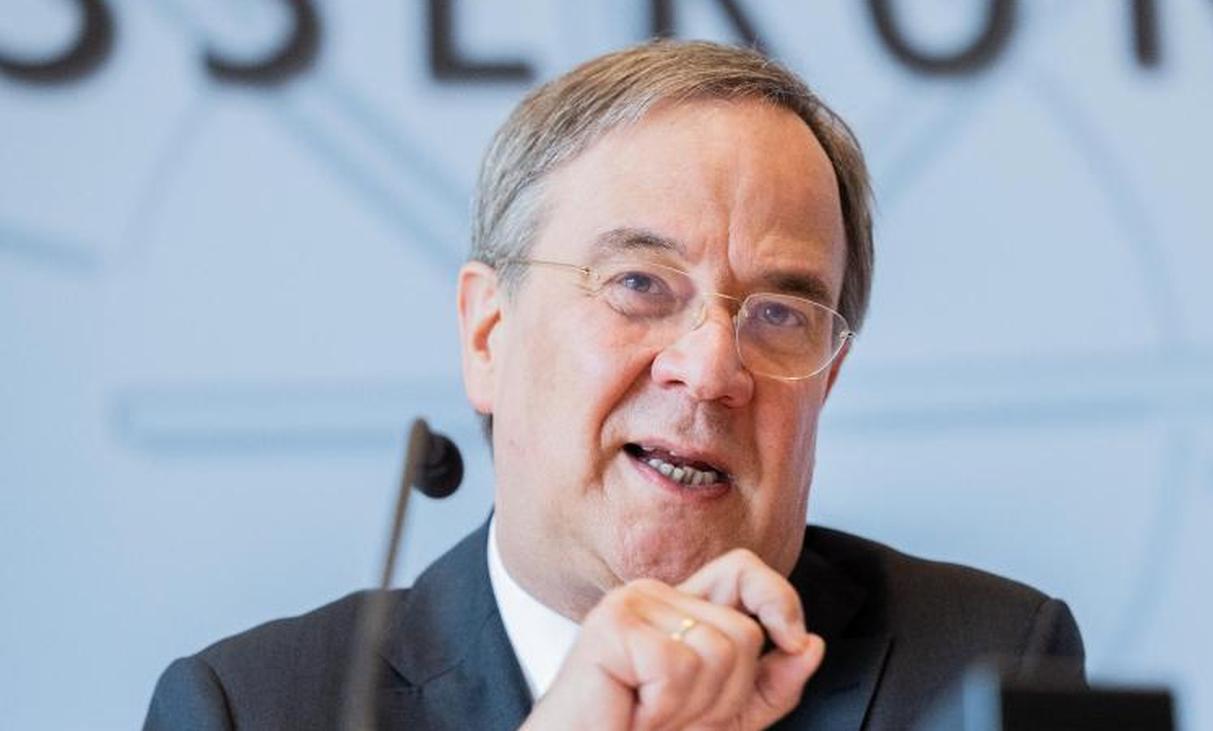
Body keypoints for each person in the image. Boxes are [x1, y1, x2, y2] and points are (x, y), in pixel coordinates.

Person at [145, 40, 1084, 730]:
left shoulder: (984, 664)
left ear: (827, 383)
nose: (711, 371)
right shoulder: (256, 708)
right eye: (639, 284)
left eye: (779, 314)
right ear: (488, 334)